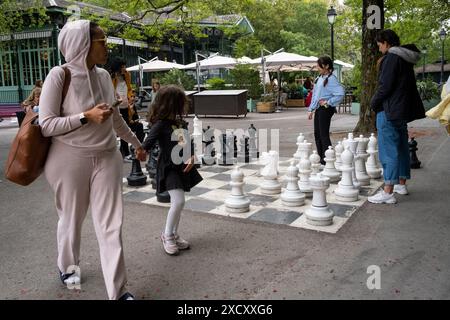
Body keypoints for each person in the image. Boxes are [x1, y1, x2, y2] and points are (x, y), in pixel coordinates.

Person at [39, 19, 146, 300]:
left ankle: (118, 291)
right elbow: (46, 124)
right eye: (102, 41)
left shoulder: (102, 76)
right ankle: (67, 267)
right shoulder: (59, 76)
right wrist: (85, 116)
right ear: (82, 44)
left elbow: (116, 119)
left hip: (107, 157)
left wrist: (137, 144)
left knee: (111, 225)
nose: (107, 46)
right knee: (71, 220)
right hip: (68, 158)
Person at [142, 85, 203, 256]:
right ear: (171, 104)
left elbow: (185, 142)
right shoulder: (160, 125)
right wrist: (140, 151)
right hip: (169, 167)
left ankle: (174, 234)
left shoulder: (177, 122)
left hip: (181, 166)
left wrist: (191, 156)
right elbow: (147, 144)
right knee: (178, 202)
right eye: (180, 102)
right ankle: (167, 235)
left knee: (180, 202)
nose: (184, 106)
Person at [368, 29, 425, 204]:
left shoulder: (391, 58)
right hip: (401, 112)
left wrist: (373, 103)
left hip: (389, 111)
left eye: (379, 44)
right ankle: (401, 184)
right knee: (401, 148)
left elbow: (385, 87)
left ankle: (388, 192)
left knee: (388, 151)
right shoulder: (405, 59)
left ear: (386, 42)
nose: (379, 48)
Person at [308, 56, 345, 164]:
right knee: (317, 134)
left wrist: (328, 102)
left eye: (319, 65)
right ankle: (322, 159)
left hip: (326, 109)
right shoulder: (320, 78)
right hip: (319, 109)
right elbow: (315, 95)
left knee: (323, 135)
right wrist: (311, 109)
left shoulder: (331, 79)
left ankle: (328, 161)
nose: (317, 67)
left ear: (327, 66)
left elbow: (340, 93)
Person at [111, 58, 134, 160]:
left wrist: (130, 96)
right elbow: (110, 91)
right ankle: (118, 152)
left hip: (125, 106)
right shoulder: (111, 77)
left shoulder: (127, 75)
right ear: (118, 67)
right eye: (122, 66)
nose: (124, 68)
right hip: (115, 106)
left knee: (125, 128)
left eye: (125, 66)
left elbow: (129, 88)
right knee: (115, 130)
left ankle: (125, 152)